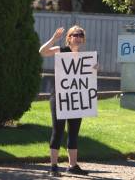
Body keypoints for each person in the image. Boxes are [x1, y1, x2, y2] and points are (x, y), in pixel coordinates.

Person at [39, 25, 89, 177]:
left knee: (74, 132)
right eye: (75, 35)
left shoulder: (84, 57)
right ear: (69, 37)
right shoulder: (61, 51)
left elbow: (87, 76)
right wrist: (54, 39)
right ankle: (53, 167)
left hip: (76, 98)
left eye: (80, 35)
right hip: (59, 98)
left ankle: (72, 165)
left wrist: (93, 68)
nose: (78, 37)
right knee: (58, 131)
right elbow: (42, 52)